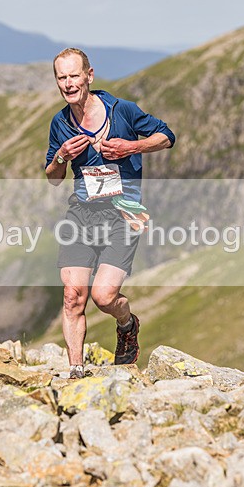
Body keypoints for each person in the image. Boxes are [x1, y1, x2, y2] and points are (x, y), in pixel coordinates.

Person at [45, 48, 175, 379]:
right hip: (82, 213)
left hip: (123, 214)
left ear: (89, 76)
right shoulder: (60, 123)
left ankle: (127, 323)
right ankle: (76, 371)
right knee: (73, 296)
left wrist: (132, 147)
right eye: (62, 77)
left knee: (103, 296)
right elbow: (53, 177)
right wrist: (61, 156)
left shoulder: (122, 111)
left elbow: (166, 136)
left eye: (74, 76)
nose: (68, 83)